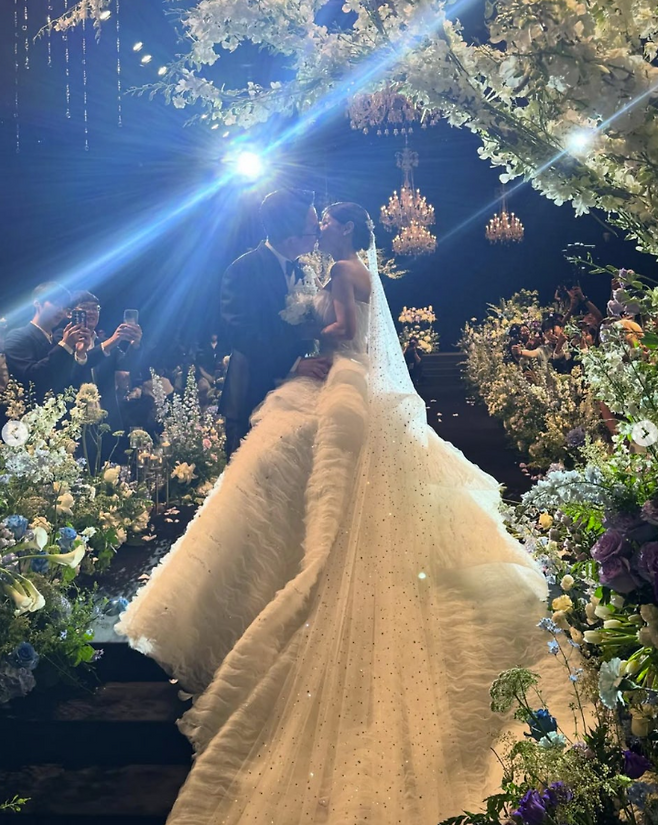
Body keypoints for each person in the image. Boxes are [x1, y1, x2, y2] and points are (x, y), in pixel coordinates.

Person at [117, 202, 568, 824]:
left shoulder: (336, 270)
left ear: (345, 228)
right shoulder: (310, 267)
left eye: (325, 220)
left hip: (339, 380)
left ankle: (303, 571)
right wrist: (298, 332)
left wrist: (307, 323)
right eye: (314, 219)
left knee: (319, 473)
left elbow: (342, 328)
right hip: (327, 380)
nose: (318, 226)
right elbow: (256, 328)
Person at [218, 188, 332, 457]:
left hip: (295, 395)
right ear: (292, 237)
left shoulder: (304, 269)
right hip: (252, 390)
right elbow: (241, 334)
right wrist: (294, 364)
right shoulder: (243, 270)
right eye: (313, 229)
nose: (318, 234)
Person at [4, 282, 90, 400]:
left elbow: (68, 381)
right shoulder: (17, 336)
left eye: (64, 307)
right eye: (56, 303)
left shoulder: (58, 339)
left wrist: (80, 353)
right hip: (31, 409)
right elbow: (30, 377)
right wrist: (65, 346)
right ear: (37, 302)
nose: (60, 310)